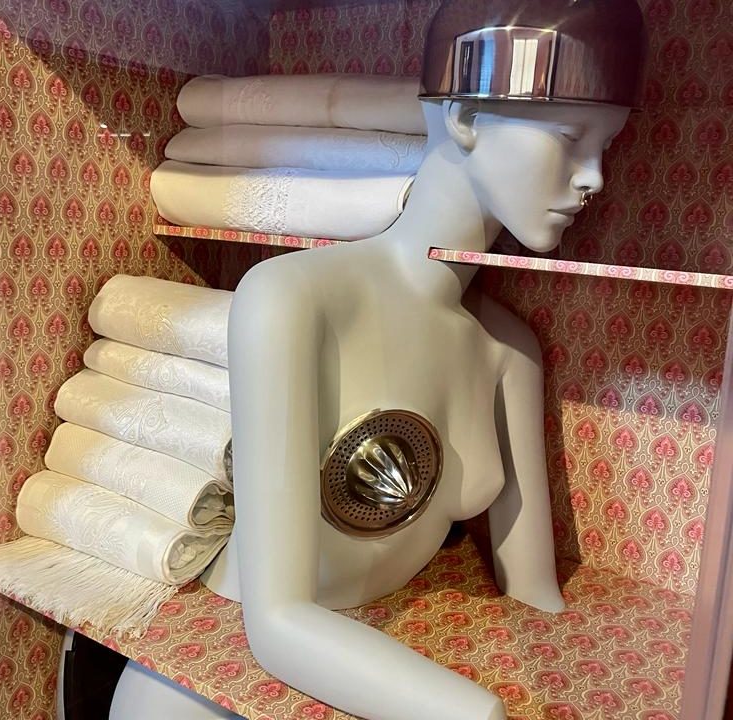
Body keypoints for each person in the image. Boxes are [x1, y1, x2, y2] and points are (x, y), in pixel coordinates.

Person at [202, 2, 647, 718]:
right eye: (570, 137)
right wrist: (476, 712)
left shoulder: (509, 352)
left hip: (388, 655)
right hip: (220, 682)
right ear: (464, 117)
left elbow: (533, 593)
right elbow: (275, 621)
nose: (595, 176)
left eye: (609, 145)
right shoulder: (292, 298)